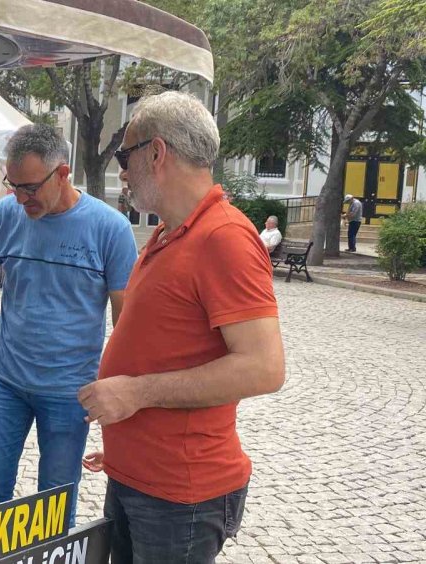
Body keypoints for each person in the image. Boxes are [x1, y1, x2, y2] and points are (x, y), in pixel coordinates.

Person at [78, 92, 285, 563]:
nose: (122, 173)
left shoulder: (224, 237)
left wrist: (135, 393)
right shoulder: (169, 232)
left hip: (179, 496)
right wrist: (128, 445)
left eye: (124, 157)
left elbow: (264, 368)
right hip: (140, 477)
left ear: (156, 153)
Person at [0, 124, 138, 527]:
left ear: (63, 174)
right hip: (3, 380)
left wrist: (122, 391)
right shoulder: (6, 214)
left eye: (30, 188)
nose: (21, 199)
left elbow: (125, 317)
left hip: (70, 390)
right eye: (13, 186)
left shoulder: (110, 229)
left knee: (54, 505)